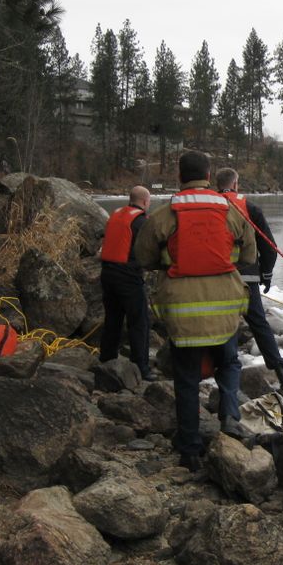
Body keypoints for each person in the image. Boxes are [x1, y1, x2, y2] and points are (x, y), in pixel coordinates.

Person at [134, 151, 256, 471]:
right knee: (229, 362)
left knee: (186, 379)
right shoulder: (231, 211)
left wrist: (168, 260)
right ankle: (229, 416)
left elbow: (143, 257)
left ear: (179, 176)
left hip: (182, 312)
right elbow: (249, 254)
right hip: (224, 309)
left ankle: (189, 450)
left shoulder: (163, 215)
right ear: (209, 173)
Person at [216, 167, 283, 391]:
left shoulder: (210, 204)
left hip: (217, 276)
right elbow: (269, 247)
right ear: (235, 184)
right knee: (259, 323)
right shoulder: (248, 207)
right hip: (247, 276)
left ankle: (224, 372)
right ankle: (281, 373)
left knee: (225, 324)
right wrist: (266, 275)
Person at [99, 185, 154, 380]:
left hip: (107, 273)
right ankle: (142, 367)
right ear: (146, 202)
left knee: (112, 319)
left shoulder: (115, 215)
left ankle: (106, 359)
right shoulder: (141, 221)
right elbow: (149, 249)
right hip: (128, 277)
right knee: (139, 322)